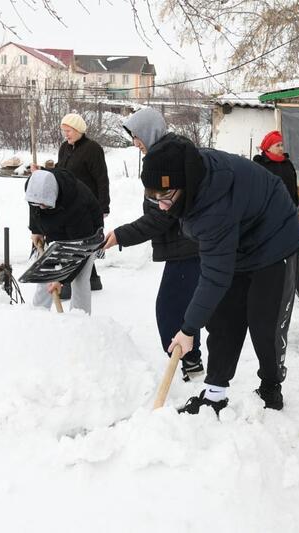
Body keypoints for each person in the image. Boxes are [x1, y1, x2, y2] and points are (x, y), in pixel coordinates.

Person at [141, 135, 299, 415]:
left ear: (185, 184)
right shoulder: (188, 184)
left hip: (275, 241)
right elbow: (217, 275)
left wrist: (188, 329)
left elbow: (215, 276)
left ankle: (270, 387)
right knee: (223, 319)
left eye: (165, 197)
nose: (161, 205)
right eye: (152, 197)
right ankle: (215, 393)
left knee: (265, 323)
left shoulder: (212, 204)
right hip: (239, 239)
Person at [102, 108, 204, 382]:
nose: (135, 142)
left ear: (149, 132)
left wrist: (121, 235)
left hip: (188, 248)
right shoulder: (163, 155)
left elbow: (161, 217)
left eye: (137, 136)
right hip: (185, 247)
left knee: (170, 310)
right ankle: (191, 362)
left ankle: (191, 363)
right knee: (181, 309)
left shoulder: (167, 160)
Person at [25, 168, 103, 314]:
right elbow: (34, 208)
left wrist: (60, 279)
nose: (41, 207)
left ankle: (80, 322)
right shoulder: (36, 185)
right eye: (38, 204)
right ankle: (37, 318)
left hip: (86, 238)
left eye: (45, 205)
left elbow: (79, 253)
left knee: (79, 280)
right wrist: (36, 230)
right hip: (58, 232)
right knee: (45, 276)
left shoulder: (78, 204)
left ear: (54, 196)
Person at [56, 113, 109, 294]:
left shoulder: (93, 149)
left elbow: (102, 178)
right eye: (64, 131)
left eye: (69, 131)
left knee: (78, 241)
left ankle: (69, 283)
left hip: (88, 205)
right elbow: (60, 171)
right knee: (78, 241)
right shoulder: (64, 148)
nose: (66, 134)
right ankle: (92, 279)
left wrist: (103, 206)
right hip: (68, 204)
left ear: (78, 130)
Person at [252, 130, 299, 207]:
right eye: (277, 146)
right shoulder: (260, 164)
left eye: (282, 145)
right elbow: (255, 190)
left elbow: (294, 185)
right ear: (268, 148)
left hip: (288, 207)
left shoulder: (287, 163)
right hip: (268, 210)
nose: (281, 148)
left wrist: (295, 203)